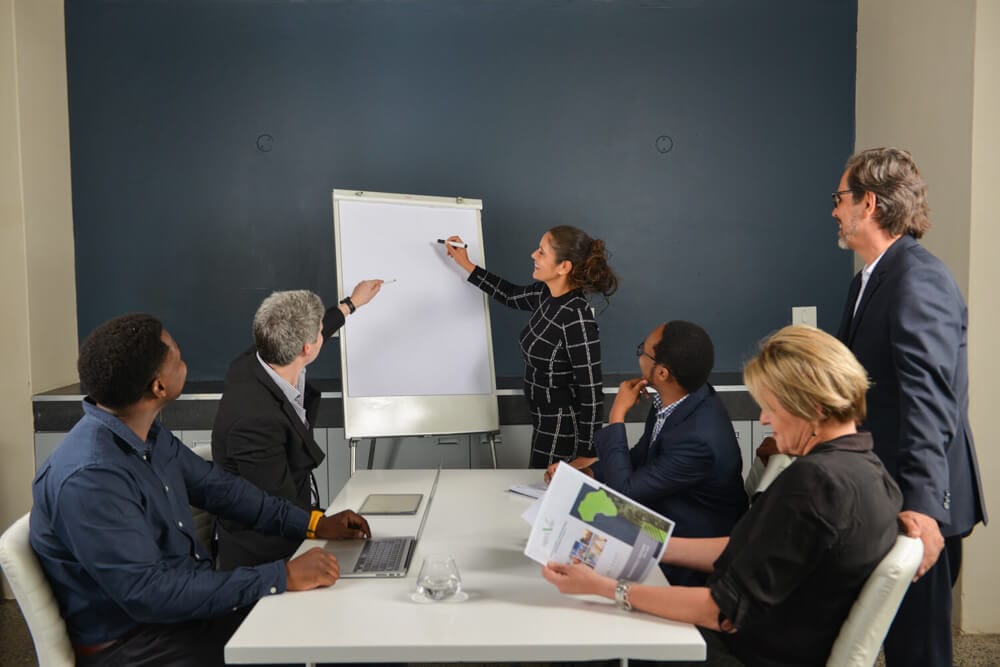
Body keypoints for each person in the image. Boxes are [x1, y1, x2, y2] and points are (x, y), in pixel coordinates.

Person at [542, 325, 903, 667]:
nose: (763, 420)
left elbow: (720, 611)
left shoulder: (815, 483)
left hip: (740, 653)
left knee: (590, 637)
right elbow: (745, 549)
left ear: (814, 408)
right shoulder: (871, 472)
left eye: (772, 407)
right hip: (766, 643)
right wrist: (646, 541)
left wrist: (607, 588)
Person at [30, 314, 372, 666]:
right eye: (176, 356)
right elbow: (150, 594)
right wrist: (280, 575)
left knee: (352, 635)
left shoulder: (144, 433)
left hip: (188, 612)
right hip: (137, 645)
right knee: (336, 649)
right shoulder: (91, 479)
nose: (184, 359)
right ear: (158, 387)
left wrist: (313, 523)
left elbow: (222, 490)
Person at [831, 147, 987, 666]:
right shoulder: (867, 280)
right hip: (888, 488)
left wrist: (922, 506)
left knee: (919, 652)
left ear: (868, 203)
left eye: (840, 198)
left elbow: (930, 400)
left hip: (919, 500)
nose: (834, 210)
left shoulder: (918, 278)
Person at [212, 282, 381, 569]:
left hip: (295, 521)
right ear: (307, 348)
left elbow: (317, 328)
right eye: (319, 334)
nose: (322, 334)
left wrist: (350, 304)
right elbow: (278, 508)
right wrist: (325, 524)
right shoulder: (255, 421)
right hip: (267, 553)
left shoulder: (259, 357)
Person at [566, 321, 747, 586]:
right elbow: (643, 456)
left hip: (687, 558)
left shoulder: (698, 439)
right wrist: (590, 471)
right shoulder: (680, 399)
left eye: (644, 351)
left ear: (662, 373)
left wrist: (616, 416)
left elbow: (625, 495)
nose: (639, 356)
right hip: (664, 521)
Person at [444, 226, 617, 468]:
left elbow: (590, 391)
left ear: (563, 267)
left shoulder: (577, 317)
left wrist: (587, 452)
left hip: (561, 423)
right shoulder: (546, 295)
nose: (533, 255)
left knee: (543, 488)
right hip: (542, 416)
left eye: (542, 252)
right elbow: (510, 295)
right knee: (538, 485)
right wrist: (467, 264)